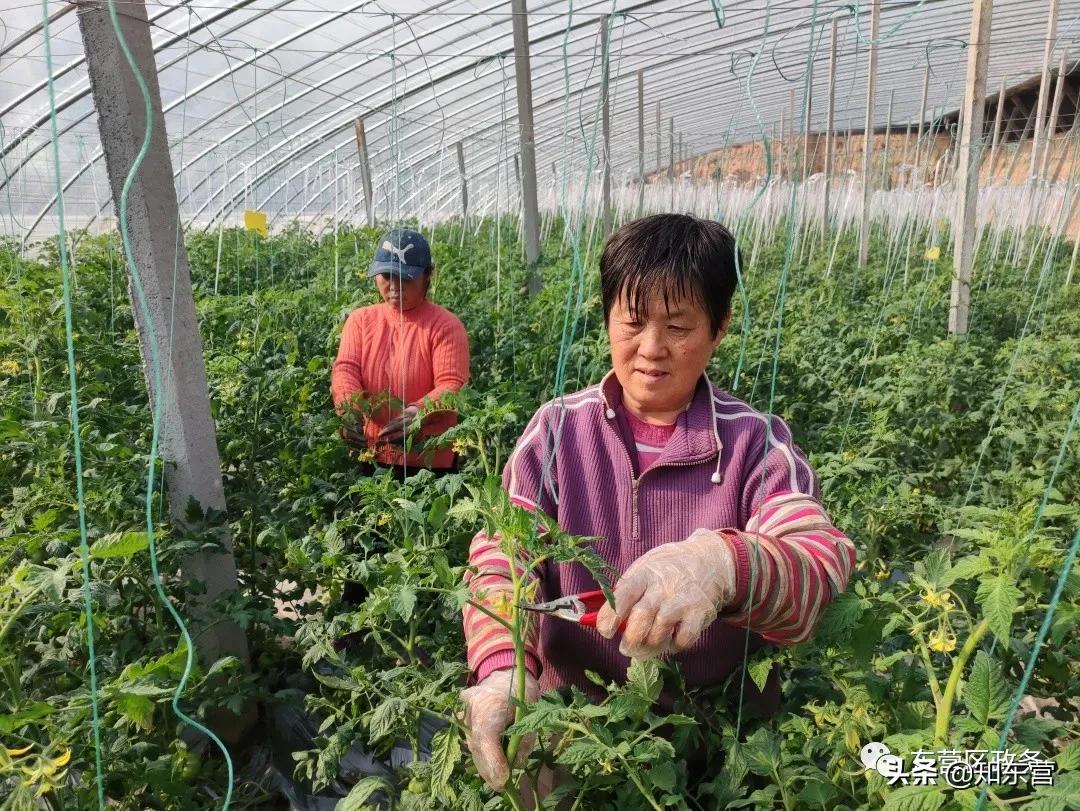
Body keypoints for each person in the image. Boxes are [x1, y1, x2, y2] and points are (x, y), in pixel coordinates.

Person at [458, 213, 856, 791]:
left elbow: (819, 564)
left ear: (718, 328)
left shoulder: (754, 444)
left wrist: (723, 566)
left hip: (721, 750)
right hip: (577, 736)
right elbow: (502, 556)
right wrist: (502, 672)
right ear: (607, 319)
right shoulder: (557, 434)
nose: (651, 348)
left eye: (678, 326)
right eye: (633, 321)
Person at [331, 227, 470, 478]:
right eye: (386, 276)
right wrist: (349, 410)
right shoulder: (360, 320)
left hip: (428, 458)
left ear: (427, 276)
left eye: (405, 278)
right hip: (372, 453)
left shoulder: (445, 325)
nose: (394, 286)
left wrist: (418, 413)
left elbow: (452, 384)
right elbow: (346, 370)